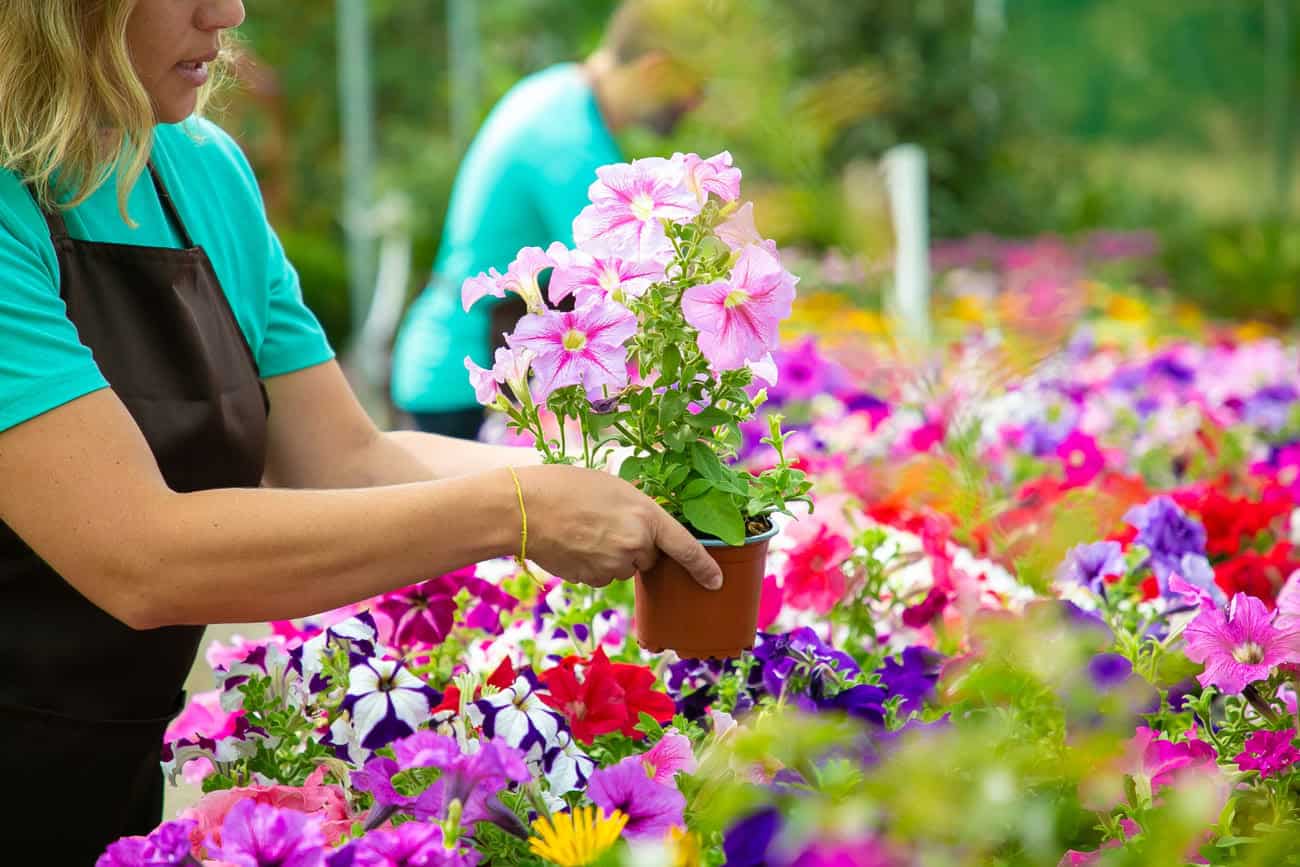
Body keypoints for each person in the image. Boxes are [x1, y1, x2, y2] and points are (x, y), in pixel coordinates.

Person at [0, 1, 722, 861]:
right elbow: (139, 553)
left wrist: (608, 477)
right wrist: (520, 508)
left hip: (109, 784)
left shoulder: (206, 174)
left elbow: (349, 457)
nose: (226, 11)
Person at [390, 0, 704, 438]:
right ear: (656, 72)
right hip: (465, 385)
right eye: (695, 90)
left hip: (455, 367)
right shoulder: (569, 138)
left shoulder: (560, 93)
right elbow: (628, 280)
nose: (694, 105)